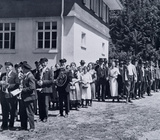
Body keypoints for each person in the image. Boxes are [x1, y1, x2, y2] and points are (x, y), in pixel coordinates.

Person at [0, 62, 19, 131]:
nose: (7, 68)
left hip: (11, 95)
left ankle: (11, 124)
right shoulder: (3, 74)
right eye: (6, 67)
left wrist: (9, 86)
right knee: (4, 110)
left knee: (12, 110)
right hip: (3, 95)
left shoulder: (15, 75)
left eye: (8, 67)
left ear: (11, 67)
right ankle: (4, 124)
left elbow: (17, 84)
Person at [19, 62, 37, 132]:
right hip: (25, 97)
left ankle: (32, 127)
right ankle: (24, 126)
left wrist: (22, 90)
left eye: (22, 68)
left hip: (29, 97)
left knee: (29, 112)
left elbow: (32, 87)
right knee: (23, 112)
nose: (22, 70)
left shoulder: (30, 76)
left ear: (26, 69)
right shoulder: (25, 76)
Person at [37, 58, 53, 122]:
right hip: (40, 89)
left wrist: (43, 82)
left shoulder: (49, 70)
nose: (43, 64)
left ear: (47, 63)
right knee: (40, 104)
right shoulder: (39, 70)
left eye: (44, 62)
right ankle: (41, 116)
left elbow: (51, 80)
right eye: (42, 63)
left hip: (46, 89)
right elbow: (37, 78)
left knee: (46, 104)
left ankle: (45, 117)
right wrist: (38, 82)